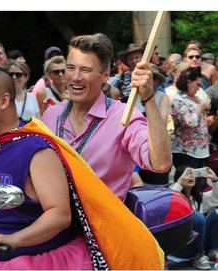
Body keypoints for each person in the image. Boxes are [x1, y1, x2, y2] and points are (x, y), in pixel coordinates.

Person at [0, 65, 164, 270]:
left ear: (4, 100)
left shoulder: (37, 150)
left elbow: (59, 215)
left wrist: (11, 239)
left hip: (33, 262)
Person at [42, 33, 172, 201]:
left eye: (86, 70)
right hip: (56, 222)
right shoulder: (51, 115)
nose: (75, 77)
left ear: (105, 75)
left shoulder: (123, 116)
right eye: (71, 68)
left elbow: (160, 163)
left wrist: (148, 98)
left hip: (103, 224)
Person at [170, 165, 218, 270]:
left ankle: (214, 251)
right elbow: (170, 201)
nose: (190, 177)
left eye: (192, 174)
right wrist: (179, 184)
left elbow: (216, 198)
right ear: (179, 178)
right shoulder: (173, 195)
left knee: (216, 213)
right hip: (182, 246)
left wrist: (214, 179)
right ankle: (199, 255)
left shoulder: (199, 198)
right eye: (186, 175)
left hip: (199, 242)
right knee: (198, 217)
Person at [170, 66, 210, 170]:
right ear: (188, 82)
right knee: (189, 184)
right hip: (186, 152)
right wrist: (201, 107)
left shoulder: (196, 97)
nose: (199, 88)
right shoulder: (178, 101)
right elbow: (189, 122)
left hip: (202, 151)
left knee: (202, 185)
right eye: (197, 85)